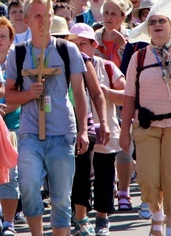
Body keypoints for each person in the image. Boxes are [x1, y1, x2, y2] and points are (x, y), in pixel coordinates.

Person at [5, 0, 93, 236]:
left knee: (61, 197)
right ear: (25, 20)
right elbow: (9, 95)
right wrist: (28, 93)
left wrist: (84, 130)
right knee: (29, 186)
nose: (43, 21)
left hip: (62, 132)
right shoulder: (18, 53)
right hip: (30, 133)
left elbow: (79, 91)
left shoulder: (68, 50)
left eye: (47, 16)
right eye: (37, 16)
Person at [120, 0, 171, 236]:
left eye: (162, 21)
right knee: (148, 178)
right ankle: (157, 221)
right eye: (152, 22)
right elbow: (128, 97)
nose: (157, 25)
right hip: (147, 127)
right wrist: (125, 130)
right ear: (147, 29)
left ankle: (170, 232)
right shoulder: (138, 58)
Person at [70, 23, 126, 235]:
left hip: (105, 130)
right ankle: (81, 219)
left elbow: (127, 94)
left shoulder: (106, 66)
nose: (78, 47)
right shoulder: (67, 67)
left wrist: (107, 92)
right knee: (81, 175)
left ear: (94, 45)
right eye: (74, 43)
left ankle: (102, 218)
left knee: (105, 175)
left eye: (83, 43)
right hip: (80, 131)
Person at [0, 17, 23, 235]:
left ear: (11, 40)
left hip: (11, 126)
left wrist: (4, 109)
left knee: (10, 175)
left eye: (4, 35)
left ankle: (8, 222)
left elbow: (21, 94)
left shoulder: (16, 62)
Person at [95, 0, 133, 69]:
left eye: (113, 14)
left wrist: (124, 45)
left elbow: (133, 64)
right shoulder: (94, 37)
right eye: (106, 13)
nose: (108, 17)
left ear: (123, 17)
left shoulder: (131, 38)